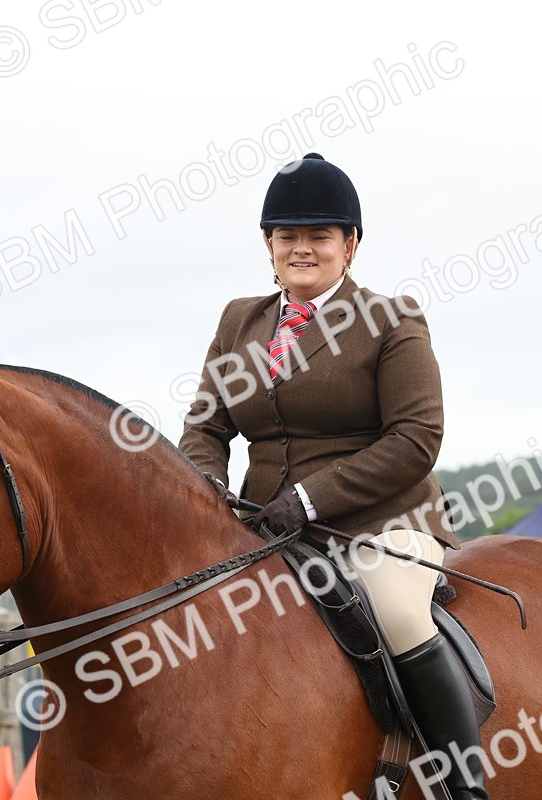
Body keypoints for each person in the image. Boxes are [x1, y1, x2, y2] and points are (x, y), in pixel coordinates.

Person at [180, 153, 488, 800]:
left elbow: (416, 438)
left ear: (349, 246)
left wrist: (310, 498)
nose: (301, 249)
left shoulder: (390, 319)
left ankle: (464, 784)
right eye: (287, 236)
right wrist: (209, 494)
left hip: (381, 523)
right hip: (265, 526)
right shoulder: (239, 321)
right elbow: (206, 426)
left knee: (398, 611)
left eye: (318, 236)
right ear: (268, 246)